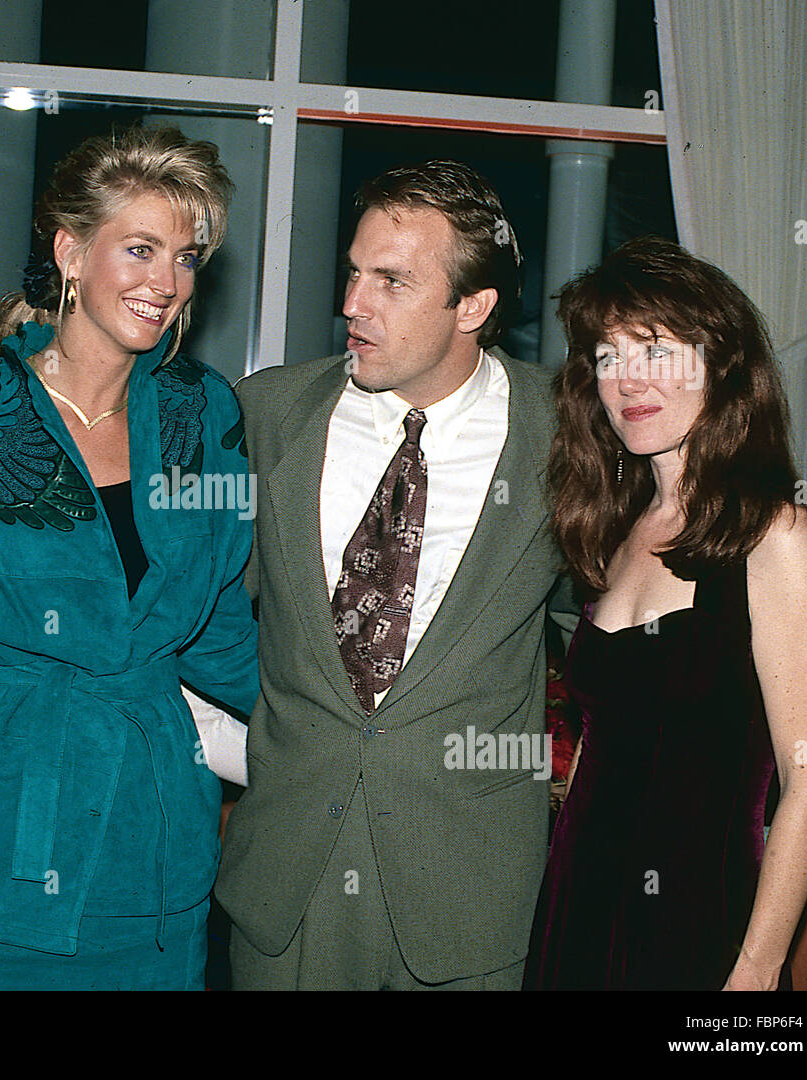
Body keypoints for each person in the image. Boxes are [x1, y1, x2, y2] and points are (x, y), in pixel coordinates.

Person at [0, 124, 258, 990]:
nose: (165, 283)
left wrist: (340, 733)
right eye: (140, 248)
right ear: (71, 251)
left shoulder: (206, 419)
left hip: (158, 841)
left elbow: (220, 631)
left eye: (188, 257)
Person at [215, 161, 573, 990]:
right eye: (352, 272)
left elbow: (596, 624)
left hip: (471, 896)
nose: (351, 304)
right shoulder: (265, 414)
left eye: (391, 281)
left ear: (473, 308)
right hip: (287, 885)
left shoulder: (567, 436)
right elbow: (207, 619)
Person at [524, 236, 807, 990]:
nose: (625, 380)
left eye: (656, 350)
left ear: (722, 364)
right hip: (579, 895)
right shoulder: (618, 528)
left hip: (701, 922)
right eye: (606, 355)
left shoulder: (777, 535)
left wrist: (758, 970)